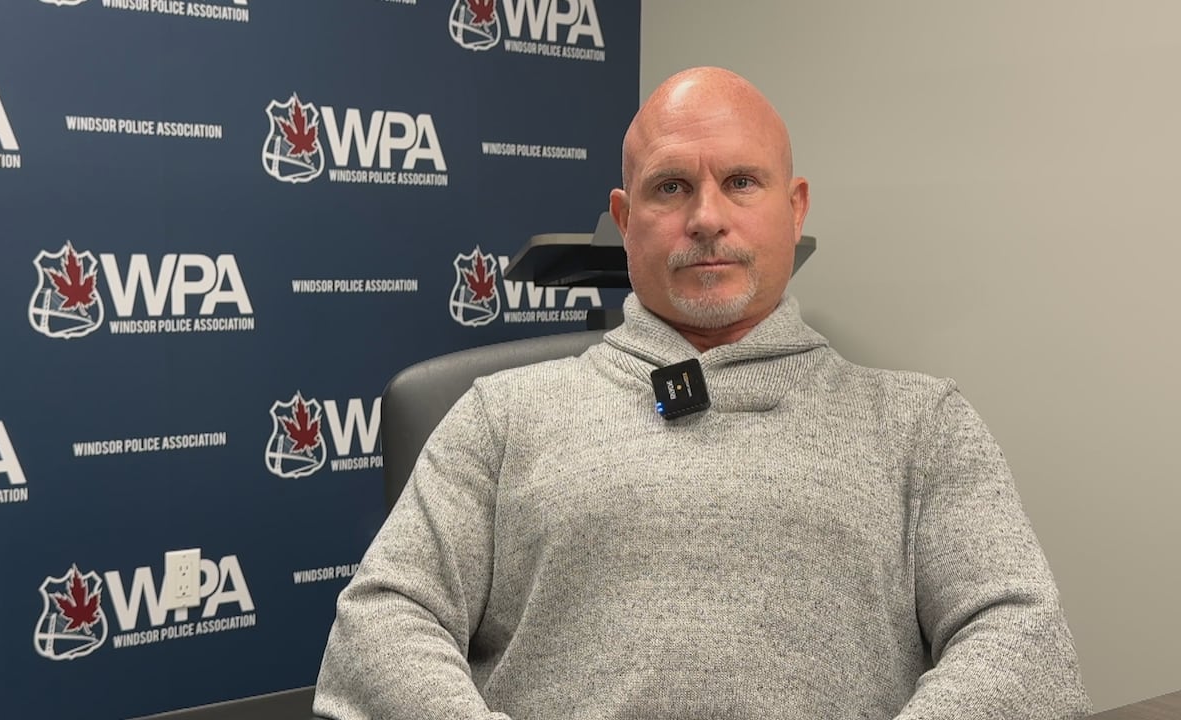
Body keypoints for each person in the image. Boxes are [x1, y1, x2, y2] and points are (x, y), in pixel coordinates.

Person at [313, 66, 1092, 720]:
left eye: (742, 182)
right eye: (671, 188)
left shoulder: (921, 424)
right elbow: (383, 622)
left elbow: (1018, 634)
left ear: (794, 210)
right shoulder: (500, 415)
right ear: (626, 221)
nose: (707, 218)